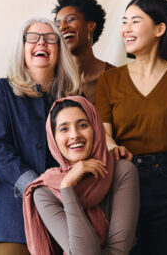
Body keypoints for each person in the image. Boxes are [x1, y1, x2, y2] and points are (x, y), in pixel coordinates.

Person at [95, 0, 167, 255]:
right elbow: (103, 134)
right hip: (123, 180)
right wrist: (113, 147)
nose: (126, 29)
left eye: (135, 21)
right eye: (124, 22)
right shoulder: (109, 80)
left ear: (160, 29)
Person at [0, 18, 81, 255]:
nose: (42, 43)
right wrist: (34, 186)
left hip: (64, 213)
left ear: (59, 50)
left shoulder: (74, 98)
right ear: (22, 47)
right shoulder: (1, 91)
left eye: (50, 39)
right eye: (33, 38)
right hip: (11, 217)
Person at [23, 96, 139, 255]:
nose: (74, 135)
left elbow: (118, 251)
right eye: (64, 129)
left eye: (83, 125)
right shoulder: (44, 191)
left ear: (96, 128)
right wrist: (67, 186)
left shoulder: (122, 171)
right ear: (53, 139)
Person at [52, 0, 115, 103]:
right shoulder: (52, 78)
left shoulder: (116, 77)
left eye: (70, 19)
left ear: (90, 26)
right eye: (57, 25)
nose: (62, 27)